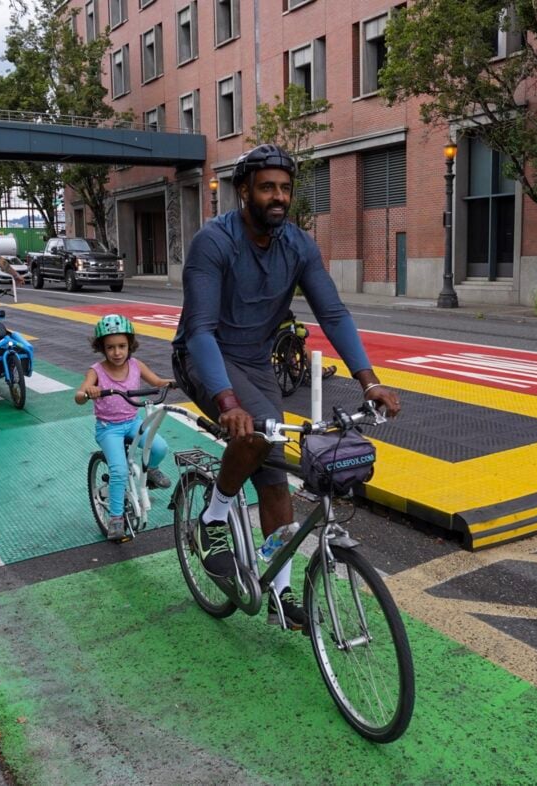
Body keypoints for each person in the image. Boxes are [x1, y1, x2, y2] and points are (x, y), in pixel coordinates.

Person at [171, 144, 401, 632]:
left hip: (255, 363)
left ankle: (278, 592)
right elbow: (200, 331)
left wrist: (369, 380)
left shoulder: (297, 245)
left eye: (285, 188)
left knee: (275, 478)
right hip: (202, 356)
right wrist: (226, 400)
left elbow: (333, 313)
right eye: (267, 187)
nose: (278, 197)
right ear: (244, 191)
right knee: (253, 432)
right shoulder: (213, 243)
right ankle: (213, 519)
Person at [76, 314, 173, 542]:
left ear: (130, 345)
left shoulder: (135, 365)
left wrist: (175, 382)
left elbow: (157, 382)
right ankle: (116, 518)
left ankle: (153, 471)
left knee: (160, 447)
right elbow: (79, 395)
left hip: (133, 422)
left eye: (122, 346)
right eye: (110, 347)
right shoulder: (96, 371)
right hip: (109, 428)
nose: (117, 352)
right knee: (118, 471)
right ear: (102, 348)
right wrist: (87, 392)